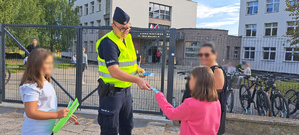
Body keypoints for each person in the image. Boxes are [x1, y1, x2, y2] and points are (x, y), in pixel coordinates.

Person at [96, 7, 151, 135]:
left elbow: (128, 61)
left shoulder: (127, 38)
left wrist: (138, 70)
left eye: (128, 27)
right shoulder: (108, 43)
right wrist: (137, 80)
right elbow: (114, 71)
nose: (125, 31)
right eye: (122, 28)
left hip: (126, 93)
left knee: (127, 126)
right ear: (113, 26)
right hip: (111, 94)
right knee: (110, 129)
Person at [19, 48, 76, 135]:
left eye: (51, 63)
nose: (51, 66)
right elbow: (31, 112)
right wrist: (57, 115)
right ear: (37, 65)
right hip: (34, 132)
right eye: (47, 63)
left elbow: (46, 107)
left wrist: (62, 113)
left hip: (46, 131)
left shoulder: (46, 83)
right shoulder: (32, 87)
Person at [154, 66, 221, 135]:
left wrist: (160, 97)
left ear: (196, 82)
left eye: (190, 79)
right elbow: (216, 124)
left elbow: (172, 114)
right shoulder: (216, 102)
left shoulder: (190, 104)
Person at [182, 42, 227, 135]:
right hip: (199, 117)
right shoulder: (206, 69)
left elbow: (213, 96)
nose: (203, 57)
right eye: (201, 54)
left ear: (215, 54)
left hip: (207, 118)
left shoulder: (217, 71)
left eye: (207, 54)